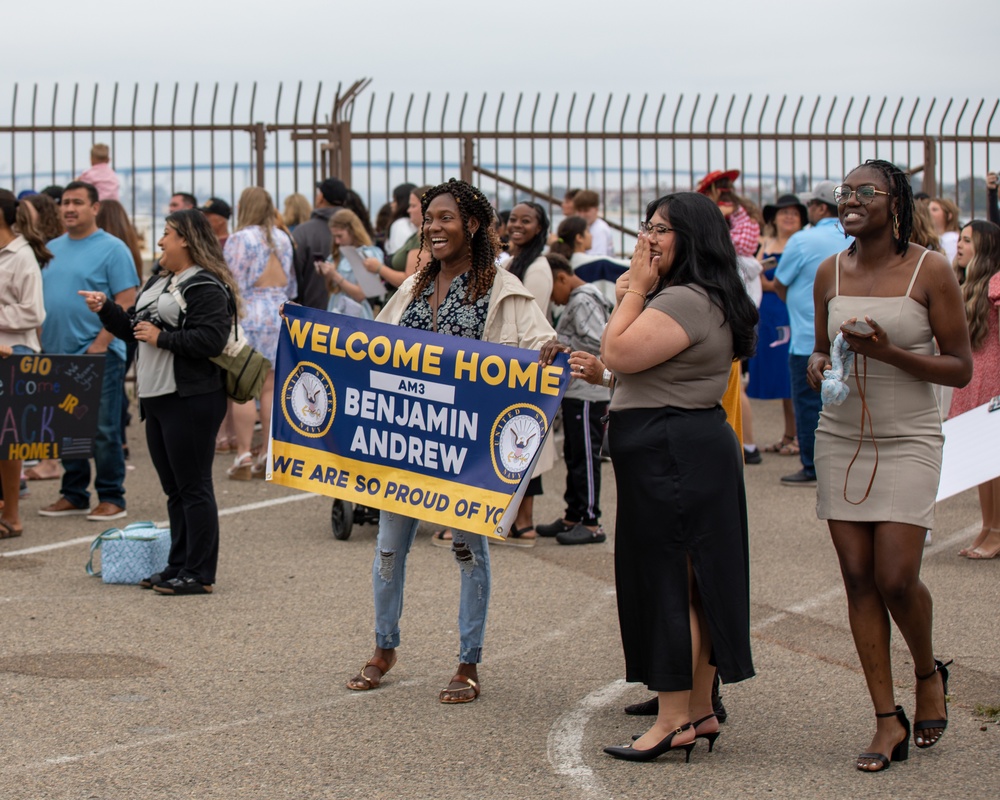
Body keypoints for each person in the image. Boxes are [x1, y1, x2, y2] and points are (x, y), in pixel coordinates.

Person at [346, 178, 556, 704]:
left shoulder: (500, 291)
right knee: (389, 551)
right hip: (408, 442)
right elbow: (373, 342)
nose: (434, 228)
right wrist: (306, 336)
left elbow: (538, 339)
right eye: (429, 219)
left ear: (474, 226)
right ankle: (383, 648)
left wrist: (550, 350)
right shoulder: (413, 286)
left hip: (466, 449)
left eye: (446, 219)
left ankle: (468, 661)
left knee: (468, 551)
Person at [808, 160, 972, 771]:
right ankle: (886, 719)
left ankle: (928, 674)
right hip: (841, 437)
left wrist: (890, 353)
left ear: (895, 201)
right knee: (857, 577)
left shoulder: (930, 272)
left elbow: (960, 367)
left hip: (909, 438)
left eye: (864, 192)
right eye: (844, 192)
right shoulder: (830, 270)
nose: (850, 200)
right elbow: (821, 347)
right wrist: (820, 362)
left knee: (896, 576)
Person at [600, 191, 757, 762]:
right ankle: (698, 710)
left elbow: (618, 352)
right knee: (692, 585)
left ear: (692, 238)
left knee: (669, 583)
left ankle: (672, 721)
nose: (648, 238)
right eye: (647, 227)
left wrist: (635, 292)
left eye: (661, 229)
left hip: (672, 449)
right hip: (680, 446)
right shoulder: (698, 295)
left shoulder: (686, 299)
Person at [80, 210, 236, 594]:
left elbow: (211, 340)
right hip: (158, 396)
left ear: (185, 239)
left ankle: (199, 573)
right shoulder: (161, 279)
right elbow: (135, 330)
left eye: (166, 233)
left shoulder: (206, 285)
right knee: (175, 488)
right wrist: (107, 310)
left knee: (194, 485)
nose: (161, 240)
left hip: (192, 397)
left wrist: (162, 338)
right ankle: (177, 564)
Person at [37, 181, 138, 521]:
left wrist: (100, 345)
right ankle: (74, 493)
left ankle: (112, 496)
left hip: (97, 355)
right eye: (65, 202)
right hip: (57, 354)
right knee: (66, 426)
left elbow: (127, 299)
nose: (69, 208)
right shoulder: (51, 248)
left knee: (104, 428)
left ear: (95, 208)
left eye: (77, 202)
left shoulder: (113, 249)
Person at [773, 180, 849, 486]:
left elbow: (781, 282)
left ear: (819, 207)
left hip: (808, 339)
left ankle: (813, 467)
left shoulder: (802, 240)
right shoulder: (853, 236)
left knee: (809, 404)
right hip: (850, 338)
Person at [535, 254, 611, 545]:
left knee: (585, 457)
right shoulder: (582, 299)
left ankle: (591, 523)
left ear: (562, 278)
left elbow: (600, 342)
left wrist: (566, 347)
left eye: (552, 290)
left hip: (588, 393)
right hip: (578, 392)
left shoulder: (581, 301)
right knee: (575, 454)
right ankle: (573, 514)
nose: (553, 300)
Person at [224, 187, 296, 479]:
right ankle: (267, 451)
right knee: (269, 386)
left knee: (243, 388)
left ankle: (243, 453)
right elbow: (291, 284)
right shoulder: (283, 238)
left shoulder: (240, 239)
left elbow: (233, 282)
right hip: (278, 311)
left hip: (249, 312)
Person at [498, 201, 553, 546]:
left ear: (540, 227)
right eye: (513, 219)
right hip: (509, 361)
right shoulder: (511, 261)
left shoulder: (537, 268)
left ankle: (525, 521)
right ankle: (517, 520)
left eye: (526, 221)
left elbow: (534, 320)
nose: (517, 225)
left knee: (524, 440)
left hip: (525, 363)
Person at [947, 220, 1000, 558]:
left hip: (993, 379)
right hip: (974, 379)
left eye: (968, 240)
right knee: (983, 464)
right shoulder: (966, 283)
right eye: (961, 239)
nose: (960, 245)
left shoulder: (996, 283)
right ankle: (987, 527)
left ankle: (996, 532)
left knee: (995, 464)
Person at [0, 189, 51, 538]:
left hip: (14, 357)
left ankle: (13, 515)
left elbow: (34, 312)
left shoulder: (21, 257)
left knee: (9, 441)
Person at [750, 194, 806, 457]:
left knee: (791, 376)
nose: (789, 217)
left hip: (789, 312)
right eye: (784, 212)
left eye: (794, 213)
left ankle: (798, 436)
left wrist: (768, 283)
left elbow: (769, 280)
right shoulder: (766, 242)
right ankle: (788, 435)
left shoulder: (801, 243)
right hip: (768, 313)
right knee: (782, 378)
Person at [316, 208, 384, 319]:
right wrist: (326, 274)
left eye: (340, 236)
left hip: (356, 316)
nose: (337, 241)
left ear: (353, 231)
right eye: (334, 237)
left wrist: (335, 275)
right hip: (335, 310)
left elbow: (360, 295)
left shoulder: (367, 255)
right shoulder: (338, 254)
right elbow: (332, 290)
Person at [292, 178, 347, 310]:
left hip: (311, 312)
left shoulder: (303, 232)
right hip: (350, 317)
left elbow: (294, 273)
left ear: (321, 198)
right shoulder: (353, 230)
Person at [572, 189, 615, 256]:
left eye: (586, 211)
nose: (582, 215)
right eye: (579, 211)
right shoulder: (588, 227)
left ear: (596, 210)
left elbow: (597, 259)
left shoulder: (600, 229)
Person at [384, 182, 418, 256]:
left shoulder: (400, 224)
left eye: (394, 200)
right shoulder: (411, 225)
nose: (392, 204)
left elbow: (398, 253)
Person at [928, 197, 961, 263]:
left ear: (949, 216)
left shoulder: (951, 239)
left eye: (934, 209)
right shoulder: (937, 237)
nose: (929, 212)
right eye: (928, 209)